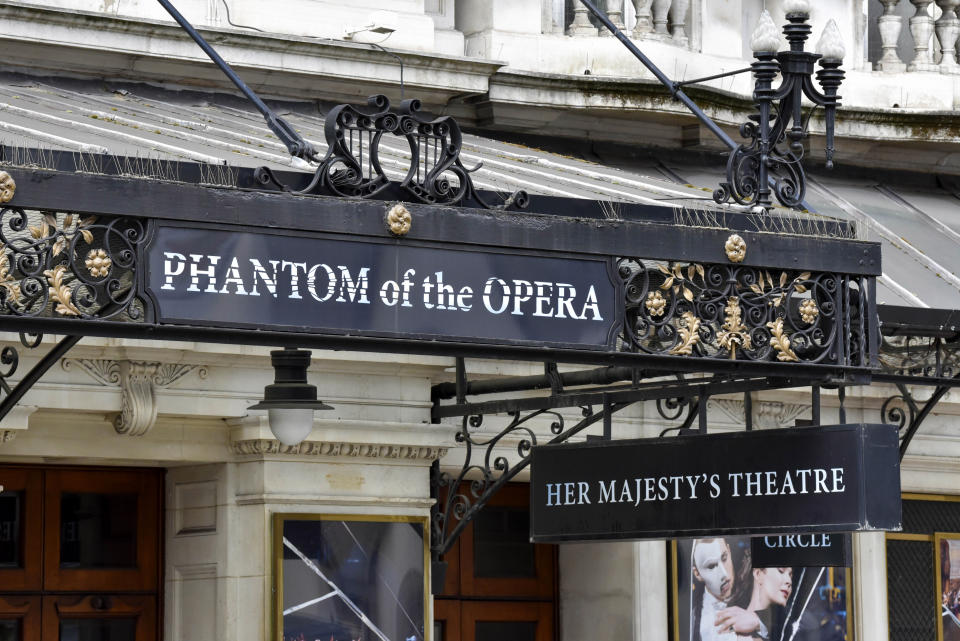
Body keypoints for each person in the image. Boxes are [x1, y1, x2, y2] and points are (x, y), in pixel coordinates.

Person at [714, 567, 793, 641]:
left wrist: (758, 622)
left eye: (790, 576)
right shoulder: (723, 621)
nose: (789, 581)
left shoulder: (785, 629)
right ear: (758, 574)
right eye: (781, 571)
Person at [690, 538, 738, 641]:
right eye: (711, 566)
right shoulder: (695, 621)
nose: (724, 574)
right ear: (697, 573)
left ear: (729, 551)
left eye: (724, 558)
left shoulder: (754, 586)